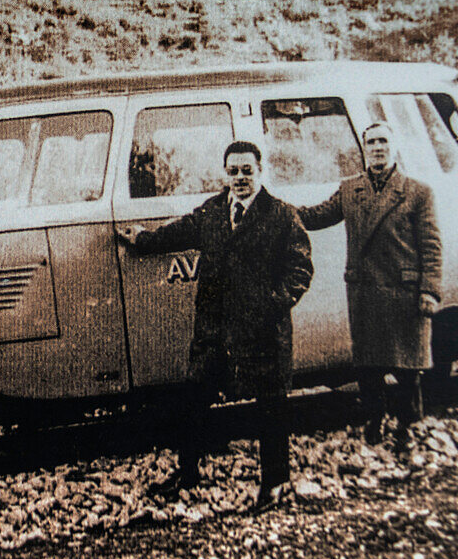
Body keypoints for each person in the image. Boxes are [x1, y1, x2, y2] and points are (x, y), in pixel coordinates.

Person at [117, 140, 312, 511]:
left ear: (260, 171)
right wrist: (142, 239)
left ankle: (276, 482)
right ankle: (188, 472)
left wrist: (271, 305)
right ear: (225, 173)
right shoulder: (213, 212)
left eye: (247, 171)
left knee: (272, 406)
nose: (240, 178)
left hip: (264, 332)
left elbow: (300, 270)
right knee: (194, 398)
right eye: (233, 171)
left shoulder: (282, 216)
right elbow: (177, 233)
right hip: (215, 332)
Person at [298, 122, 442, 452]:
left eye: (383, 141)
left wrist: (430, 290)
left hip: (404, 292)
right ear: (364, 149)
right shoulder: (351, 190)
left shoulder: (418, 192)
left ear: (394, 147)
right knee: (369, 367)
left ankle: (406, 426)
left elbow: (432, 245)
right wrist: (277, 211)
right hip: (365, 292)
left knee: (407, 369)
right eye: (371, 142)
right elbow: (318, 215)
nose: (377, 147)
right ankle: (374, 419)